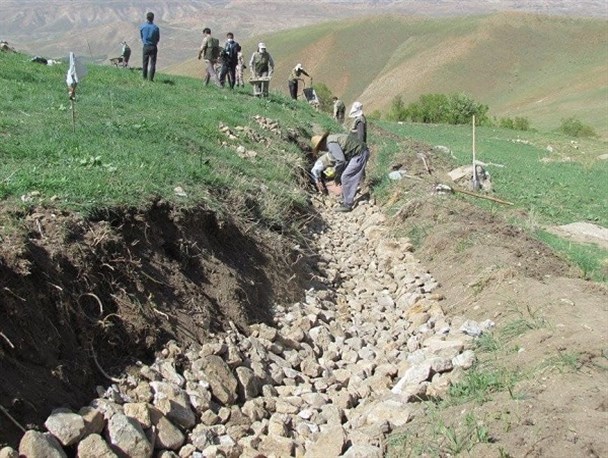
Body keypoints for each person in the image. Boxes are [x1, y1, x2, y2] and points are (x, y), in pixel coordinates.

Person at [311, 132, 370, 212]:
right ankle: (345, 197)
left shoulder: (331, 143)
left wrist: (337, 174)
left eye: (319, 149)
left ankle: (347, 205)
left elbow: (341, 160)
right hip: (357, 153)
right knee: (344, 175)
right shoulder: (332, 139)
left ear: (321, 145)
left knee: (346, 176)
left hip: (360, 154)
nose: (322, 150)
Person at [139, 12, 160, 81]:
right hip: (153, 46)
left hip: (146, 46)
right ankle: (151, 79)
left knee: (145, 63)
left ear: (146, 17)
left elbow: (141, 36)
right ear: (153, 18)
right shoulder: (156, 28)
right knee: (153, 63)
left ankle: (144, 78)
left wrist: (145, 41)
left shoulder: (142, 26)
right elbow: (158, 38)